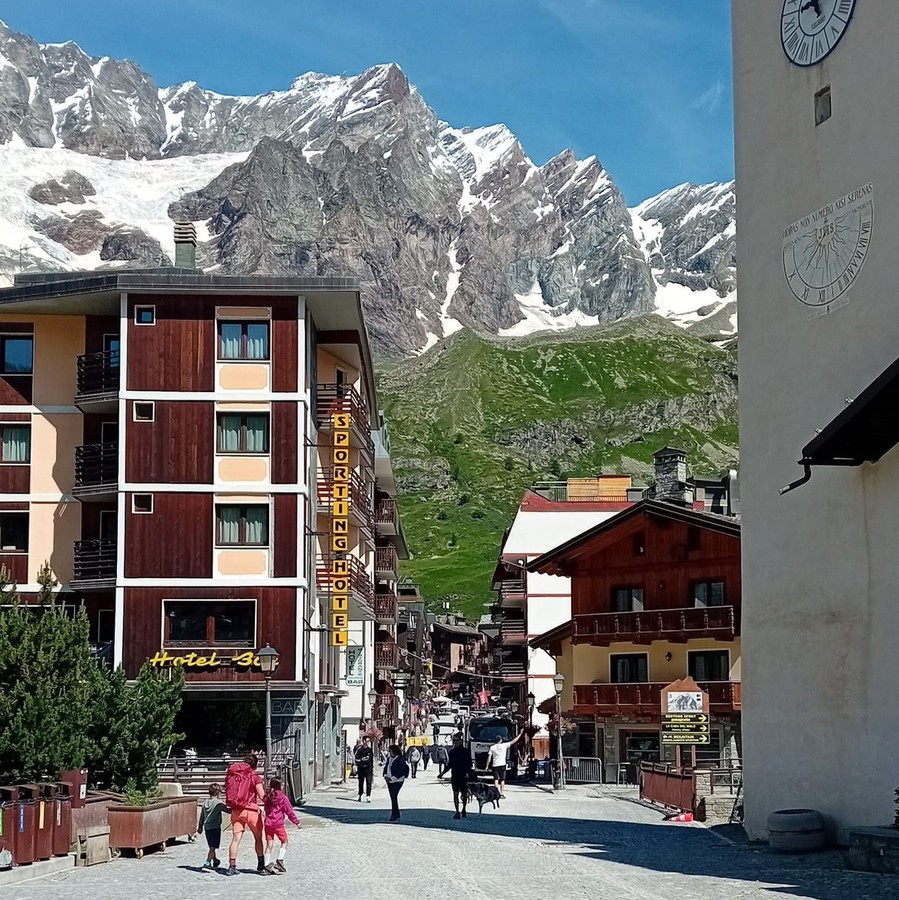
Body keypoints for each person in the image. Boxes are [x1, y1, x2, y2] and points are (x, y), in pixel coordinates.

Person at [224, 752, 267, 876]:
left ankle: (232, 866)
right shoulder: (255, 777)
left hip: (237, 810)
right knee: (258, 838)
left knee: (236, 839)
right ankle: (261, 865)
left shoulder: (235, 775)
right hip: (251, 811)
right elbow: (262, 796)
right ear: (256, 765)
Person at [262, 777, 300, 874]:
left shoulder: (268, 796)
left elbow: (266, 808)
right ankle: (280, 860)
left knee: (269, 844)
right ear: (280, 786)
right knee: (284, 841)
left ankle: (266, 865)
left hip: (268, 823)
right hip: (278, 824)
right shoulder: (283, 798)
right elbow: (289, 811)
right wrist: (296, 822)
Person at [196, 782, 228, 870]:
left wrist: (200, 826)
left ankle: (215, 860)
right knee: (213, 847)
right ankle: (207, 862)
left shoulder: (205, 803)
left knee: (211, 846)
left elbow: (202, 815)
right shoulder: (219, 803)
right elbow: (228, 811)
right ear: (218, 793)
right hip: (215, 827)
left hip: (207, 828)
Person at [440, 733, 472, 819]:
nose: (454, 742)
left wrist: (467, 773)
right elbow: (449, 765)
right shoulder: (452, 752)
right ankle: (457, 811)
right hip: (455, 775)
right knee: (455, 793)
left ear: (460, 741)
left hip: (463, 776)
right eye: (453, 740)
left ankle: (464, 809)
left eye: (456, 740)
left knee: (464, 794)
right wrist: (442, 773)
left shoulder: (466, 752)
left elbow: (469, 764)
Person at [488, 731, 523, 799]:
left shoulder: (492, 747)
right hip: (502, 765)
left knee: (496, 779)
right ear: (501, 740)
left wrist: (487, 766)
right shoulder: (504, 745)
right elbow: (513, 741)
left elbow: (489, 757)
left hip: (495, 765)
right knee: (502, 779)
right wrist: (520, 734)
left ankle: (496, 793)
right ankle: (501, 793)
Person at [383, 744, 408, 822]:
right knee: (392, 797)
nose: (389, 753)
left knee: (394, 795)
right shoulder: (389, 758)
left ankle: (395, 814)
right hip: (389, 780)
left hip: (398, 780)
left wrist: (393, 778)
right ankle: (395, 813)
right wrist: (385, 775)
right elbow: (386, 767)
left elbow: (401, 771)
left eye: (390, 751)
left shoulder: (400, 759)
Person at [354, 735, 374, 803]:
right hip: (361, 768)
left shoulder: (370, 750)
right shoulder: (359, 750)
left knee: (369, 782)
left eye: (369, 741)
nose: (368, 742)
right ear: (364, 741)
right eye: (367, 741)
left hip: (368, 768)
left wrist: (366, 760)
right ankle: (360, 794)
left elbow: (370, 759)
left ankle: (368, 796)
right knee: (361, 782)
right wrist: (361, 760)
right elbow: (356, 759)